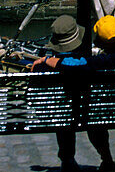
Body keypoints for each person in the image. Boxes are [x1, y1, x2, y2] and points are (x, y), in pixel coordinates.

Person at [35, 15, 115, 172]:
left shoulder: (100, 62)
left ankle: (107, 160)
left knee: (94, 118)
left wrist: (48, 61)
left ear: (100, 41)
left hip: (104, 113)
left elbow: (74, 68)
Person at [31, 15, 89, 172]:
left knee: (62, 113)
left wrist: (45, 61)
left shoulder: (41, 68)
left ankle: (67, 158)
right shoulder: (88, 63)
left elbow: (33, 95)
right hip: (88, 112)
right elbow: (77, 67)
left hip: (57, 114)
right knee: (74, 109)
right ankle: (107, 158)